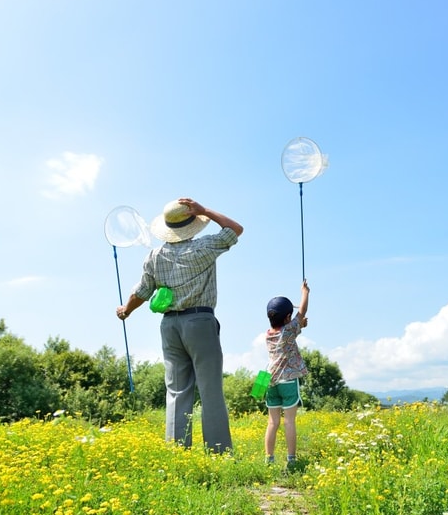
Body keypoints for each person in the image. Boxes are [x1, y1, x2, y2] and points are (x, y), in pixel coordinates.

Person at [116, 198, 243, 453]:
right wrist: (205, 210)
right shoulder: (203, 247)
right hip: (199, 321)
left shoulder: (154, 256)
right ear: (192, 224)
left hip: (169, 326)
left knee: (176, 391)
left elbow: (141, 292)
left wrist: (125, 310)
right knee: (210, 391)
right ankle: (218, 452)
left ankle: (177, 453)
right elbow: (235, 230)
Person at [263, 279, 310, 465]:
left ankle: (269, 459)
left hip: (270, 380)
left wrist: (298, 325)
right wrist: (305, 292)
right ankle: (291, 460)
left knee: (272, 423)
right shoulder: (289, 331)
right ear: (287, 317)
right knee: (289, 421)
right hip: (288, 380)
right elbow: (302, 312)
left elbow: (295, 323)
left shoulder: (268, 334)